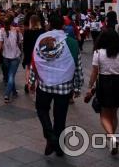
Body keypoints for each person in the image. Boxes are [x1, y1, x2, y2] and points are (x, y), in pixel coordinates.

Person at [28, 13, 83, 156]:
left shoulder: (42, 38)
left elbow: (36, 61)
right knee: (60, 117)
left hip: (45, 84)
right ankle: (58, 145)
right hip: (64, 86)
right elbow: (77, 66)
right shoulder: (71, 42)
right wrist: (77, 86)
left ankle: (50, 136)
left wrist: (32, 81)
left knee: (41, 109)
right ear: (63, 26)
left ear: (49, 24)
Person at [85, 28, 119, 155]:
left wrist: (90, 87)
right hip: (118, 83)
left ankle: (111, 137)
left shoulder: (98, 52)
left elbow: (94, 72)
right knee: (113, 113)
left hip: (104, 83)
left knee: (104, 114)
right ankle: (111, 137)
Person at [0, 15, 22, 103]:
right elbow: (21, 41)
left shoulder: (1, 30)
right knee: (11, 76)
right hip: (15, 56)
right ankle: (7, 94)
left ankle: (12, 91)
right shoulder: (16, 30)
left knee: (10, 75)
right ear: (12, 22)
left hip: (5, 57)